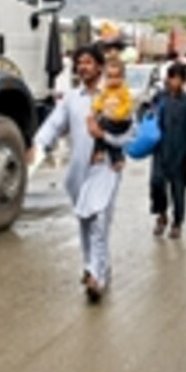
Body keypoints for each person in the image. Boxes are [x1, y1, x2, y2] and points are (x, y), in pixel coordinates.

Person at [32, 44, 132, 302]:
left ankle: (95, 275)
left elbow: (130, 134)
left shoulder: (117, 94)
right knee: (85, 220)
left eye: (88, 62)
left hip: (106, 167)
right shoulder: (72, 99)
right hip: (78, 171)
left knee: (99, 220)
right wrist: (39, 143)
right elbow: (55, 123)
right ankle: (94, 267)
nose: (82, 67)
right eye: (79, 63)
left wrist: (105, 135)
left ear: (99, 66)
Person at [151, 63, 186, 239]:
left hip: (179, 152)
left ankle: (177, 223)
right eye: (171, 77)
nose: (174, 82)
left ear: (184, 81)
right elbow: (147, 118)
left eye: (178, 78)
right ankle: (161, 215)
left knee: (178, 190)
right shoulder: (159, 98)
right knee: (157, 184)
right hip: (160, 150)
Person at [92, 58, 133, 166]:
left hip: (121, 122)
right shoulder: (106, 90)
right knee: (104, 133)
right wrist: (96, 108)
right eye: (110, 77)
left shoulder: (123, 90)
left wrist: (119, 114)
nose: (113, 80)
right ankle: (116, 159)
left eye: (116, 77)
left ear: (122, 78)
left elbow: (128, 104)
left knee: (102, 129)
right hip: (110, 121)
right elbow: (100, 101)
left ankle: (99, 151)